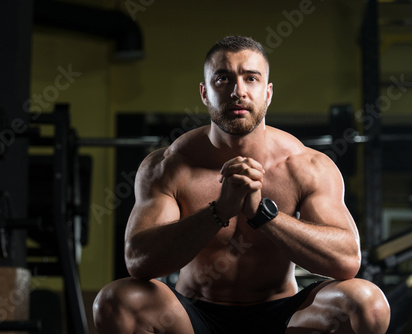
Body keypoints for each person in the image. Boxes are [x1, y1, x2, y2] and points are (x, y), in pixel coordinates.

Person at [93, 35, 391, 333]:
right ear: (205, 93)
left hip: (283, 317)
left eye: (251, 78)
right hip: (192, 318)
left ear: (268, 92)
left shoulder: (306, 166)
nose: (238, 91)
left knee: (368, 303)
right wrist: (219, 212)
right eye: (223, 79)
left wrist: (263, 214)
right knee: (114, 300)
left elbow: (347, 261)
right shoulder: (168, 166)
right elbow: (138, 262)